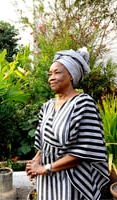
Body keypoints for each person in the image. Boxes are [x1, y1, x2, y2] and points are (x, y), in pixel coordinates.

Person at [25, 47, 109, 200]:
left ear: (71, 75)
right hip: (47, 180)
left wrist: (46, 168)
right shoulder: (48, 106)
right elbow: (43, 143)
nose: (51, 77)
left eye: (57, 72)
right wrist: (36, 161)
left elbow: (83, 151)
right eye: (50, 74)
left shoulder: (83, 104)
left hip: (72, 180)